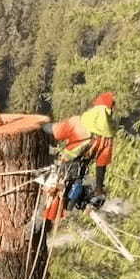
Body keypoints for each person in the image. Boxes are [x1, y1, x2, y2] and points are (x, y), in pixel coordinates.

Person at [41, 92, 117, 221]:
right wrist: (99, 190)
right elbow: (101, 166)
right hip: (76, 177)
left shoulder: (77, 122)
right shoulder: (107, 138)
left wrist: (41, 125)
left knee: (48, 202)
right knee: (66, 201)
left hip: (60, 171)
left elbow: (56, 132)